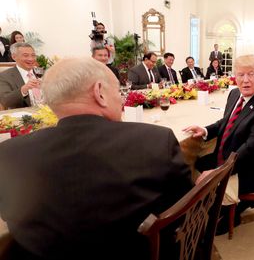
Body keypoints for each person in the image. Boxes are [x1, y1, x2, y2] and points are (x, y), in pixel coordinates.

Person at [0, 57, 192, 259]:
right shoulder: (156, 140)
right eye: (118, 92)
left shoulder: (8, 153)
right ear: (99, 92)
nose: (121, 100)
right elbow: (183, 207)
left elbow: (10, 216)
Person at [183, 54, 254, 232]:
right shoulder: (235, 93)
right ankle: (222, 204)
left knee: (208, 176)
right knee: (196, 163)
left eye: (251, 74)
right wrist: (206, 130)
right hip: (232, 155)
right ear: (234, 76)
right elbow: (227, 121)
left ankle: (231, 210)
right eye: (240, 75)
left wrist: (218, 172)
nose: (245, 80)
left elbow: (251, 150)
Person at [0, 43, 41, 109]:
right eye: (26, 55)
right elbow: (5, 101)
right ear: (14, 57)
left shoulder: (42, 73)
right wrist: (24, 89)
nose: (31, 59)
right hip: (25, 117)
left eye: (33, 55)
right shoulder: (4, 76)